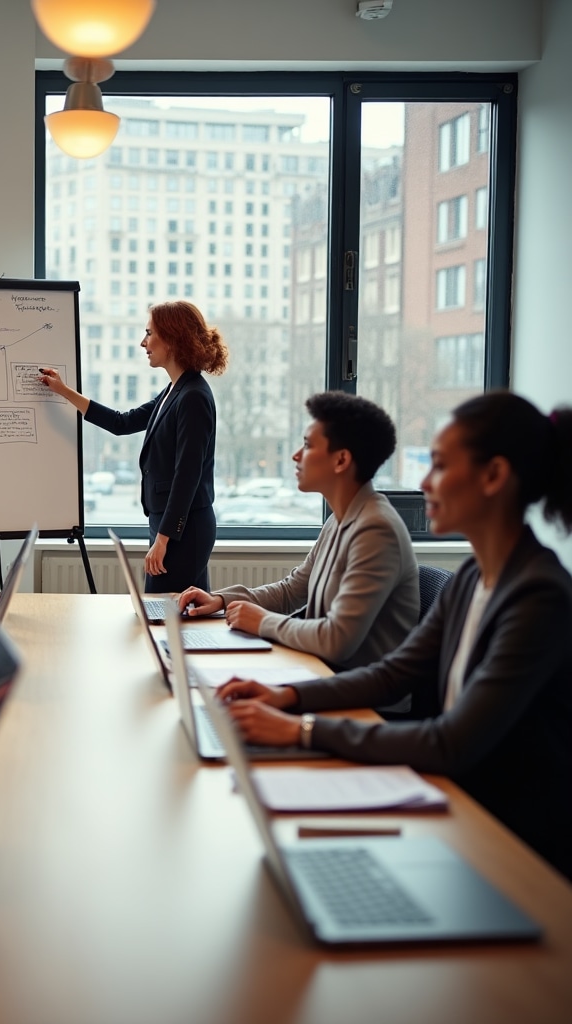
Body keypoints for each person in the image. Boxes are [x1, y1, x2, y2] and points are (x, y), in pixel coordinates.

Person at [216, 392, 572, 880]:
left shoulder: (538, 596)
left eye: (440, 466)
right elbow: (392, 673)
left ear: (493, 476)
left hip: (514, 842)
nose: (424, 483)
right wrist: (288, 697)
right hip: (462, 806)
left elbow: (451, 742)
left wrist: (302, 730)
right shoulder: (474, 577)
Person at [179, 392, 419, 673]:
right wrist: (220, 600)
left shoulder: (376, 530)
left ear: (341, 460)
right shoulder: (340, 519)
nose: (295, 456)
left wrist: (262, 621)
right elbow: (292, 591)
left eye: (307, 445)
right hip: (321, 673)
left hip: (356, 691)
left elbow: (337, 640)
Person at [40, 301, 228, 592]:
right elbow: (122, 422)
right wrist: (64, 391)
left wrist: (163, 539)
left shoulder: (193, 396)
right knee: (176, 611)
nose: (143, 343)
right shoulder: (174, 390)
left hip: (183, 531)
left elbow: (187, 476)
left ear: (172, 338)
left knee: (164, 611)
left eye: (149, 333)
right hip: (170, 526)